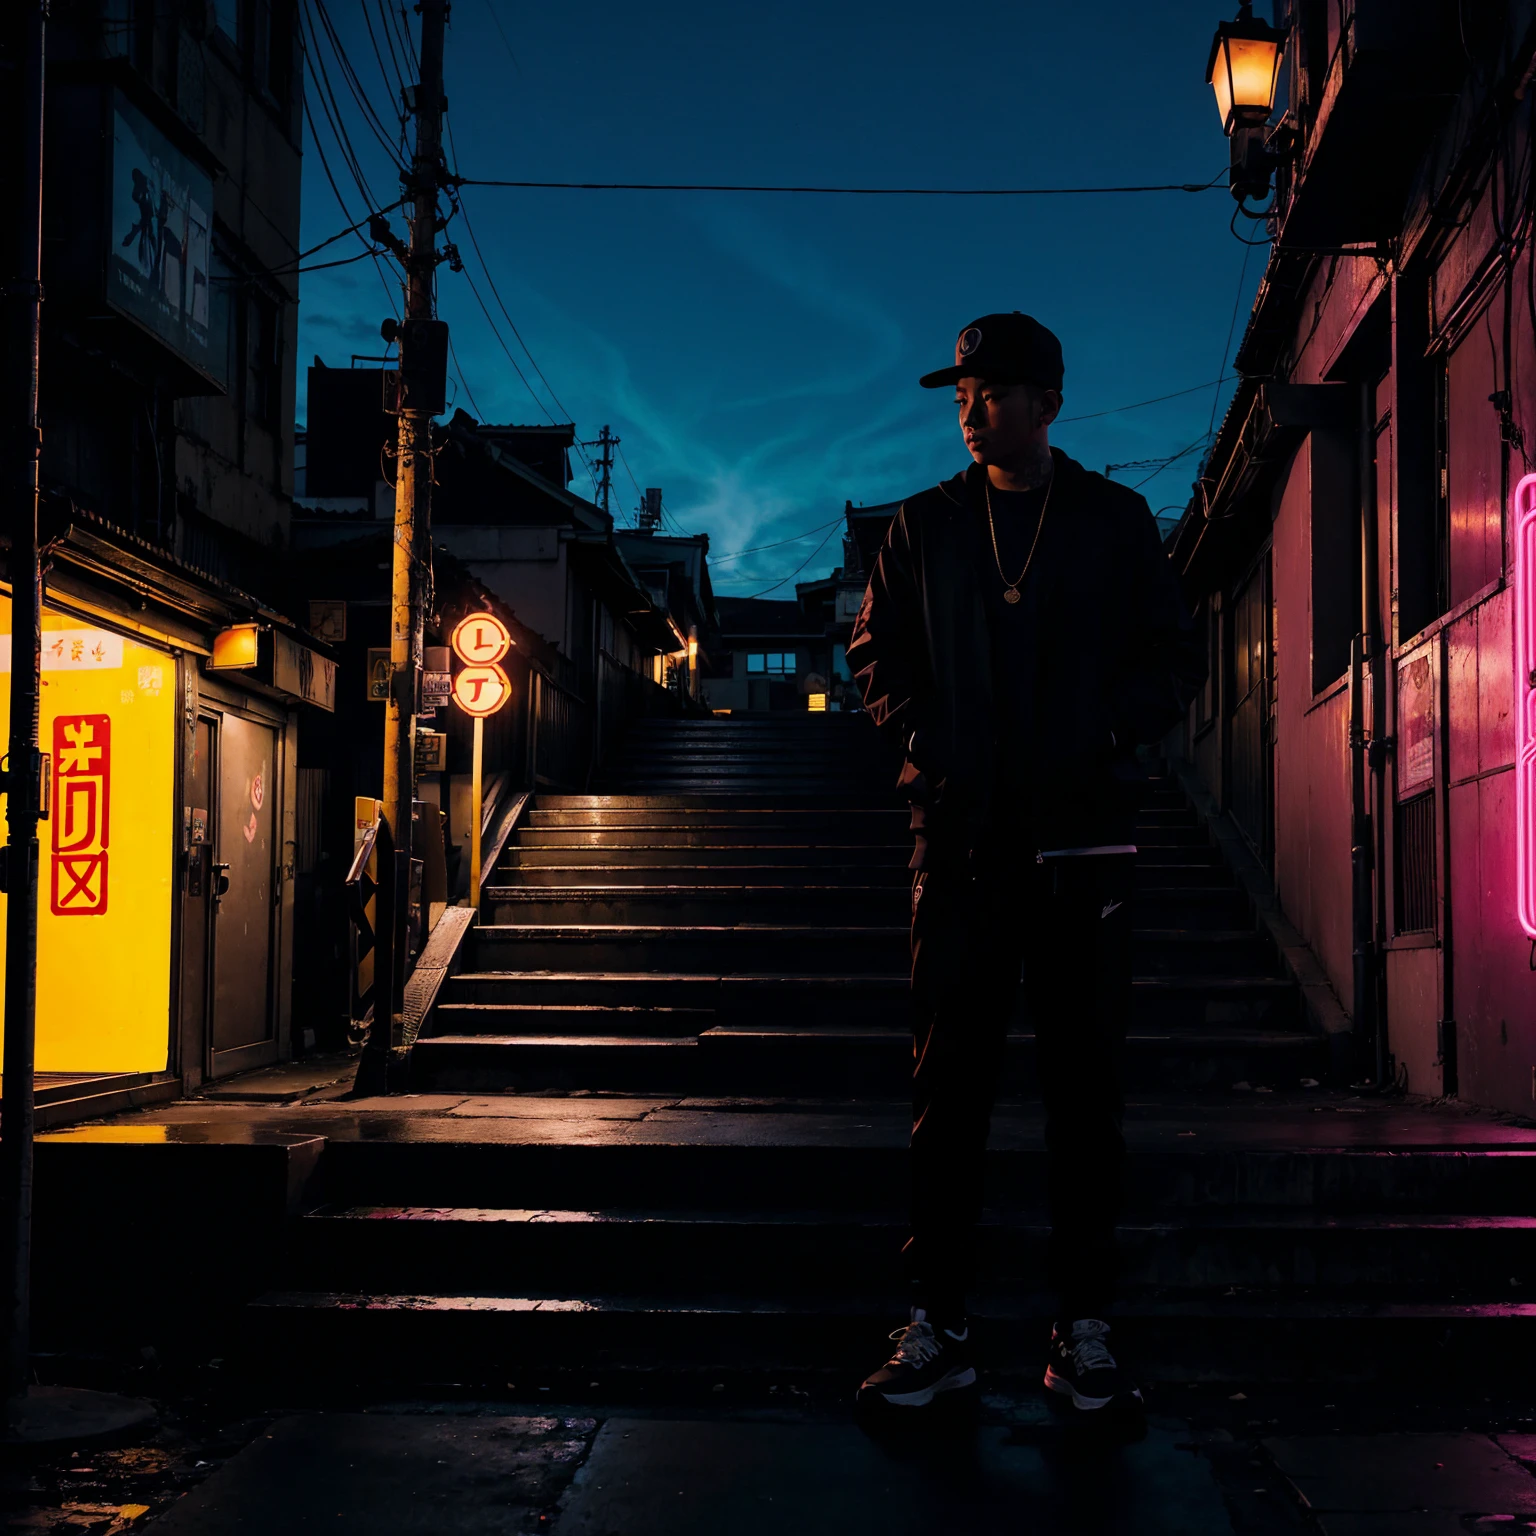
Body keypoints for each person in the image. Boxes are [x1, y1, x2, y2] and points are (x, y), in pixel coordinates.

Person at [848, 312, 1204, 1414]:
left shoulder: (1111, 520)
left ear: (1047, 402)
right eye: (960, 392)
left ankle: (1082, 1326)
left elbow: (1170, 657)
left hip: (1083, 847)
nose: (968, 408)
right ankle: (940, 1325)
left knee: (1082, 1095)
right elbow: (876, 654)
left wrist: (1100, 738)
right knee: (946, 1093)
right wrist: (933, 745)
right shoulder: (922, 528)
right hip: (957, 846)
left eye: (990, 392)